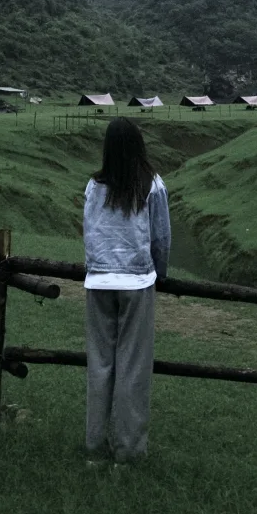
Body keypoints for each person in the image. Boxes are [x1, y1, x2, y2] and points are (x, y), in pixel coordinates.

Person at [83, 117, 171, 464]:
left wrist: (95, 267)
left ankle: (95, 450)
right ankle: (128, 453)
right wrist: (159, 274)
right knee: (133, 368)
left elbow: (89, 232)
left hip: (99, 282)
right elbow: (160, 237)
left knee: (100, 365)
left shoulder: (94, 185)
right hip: (136, 283)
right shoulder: (152, 184)